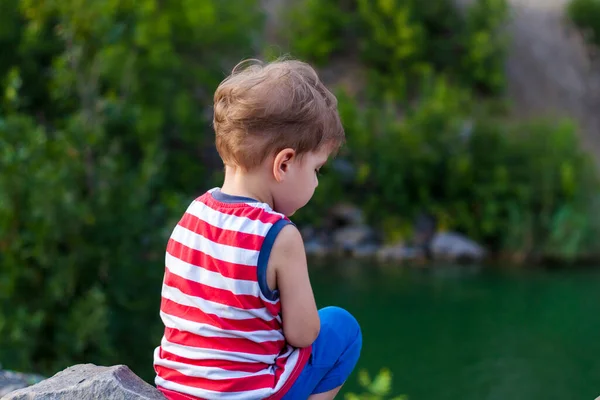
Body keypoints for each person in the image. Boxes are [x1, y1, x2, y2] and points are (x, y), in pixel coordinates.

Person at [153, 58, 362, 400]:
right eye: (316, 170)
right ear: (284, 163)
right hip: (248, 394)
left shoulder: (191, 215)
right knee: (342, 327)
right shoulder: (279, 236)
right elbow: (304, 334)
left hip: (177, 390)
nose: (315, 183)